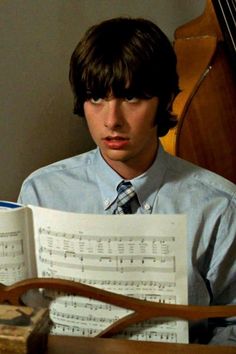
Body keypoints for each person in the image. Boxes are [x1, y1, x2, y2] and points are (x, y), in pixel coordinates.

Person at [18, 17, 236, 345]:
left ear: (164, 100)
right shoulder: (41, 191)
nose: (112, 120)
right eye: (96, 98)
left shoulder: (219, 205)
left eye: (132, 98)